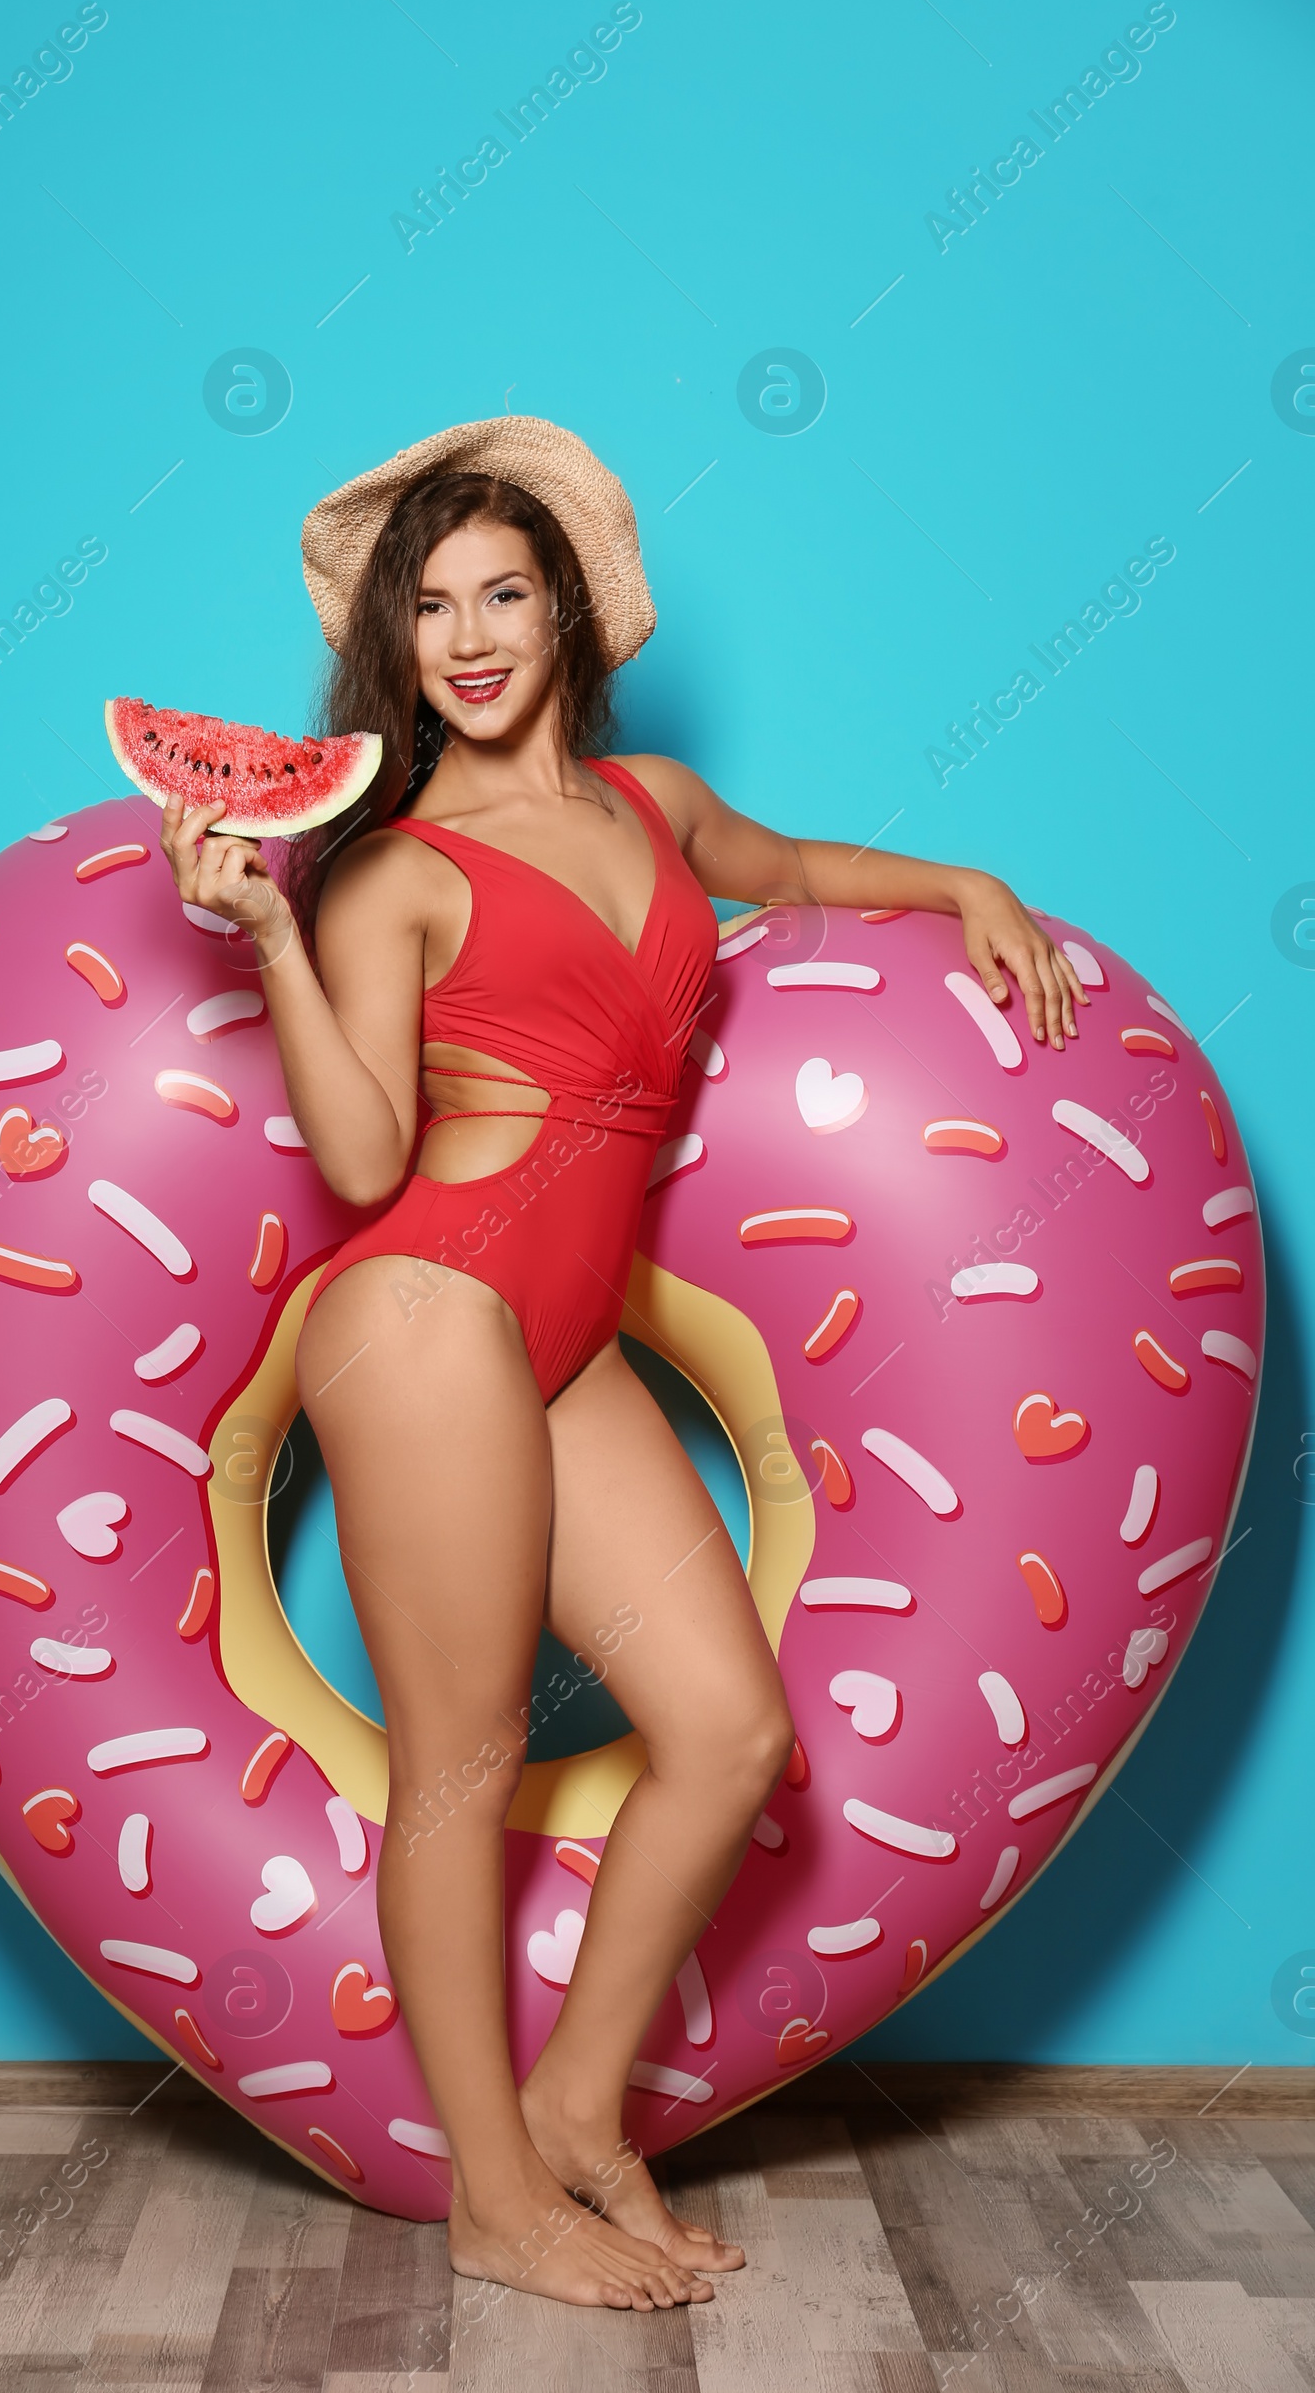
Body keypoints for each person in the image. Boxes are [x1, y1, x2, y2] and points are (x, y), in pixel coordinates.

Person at [158, 417, 1087, 2311]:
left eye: (503, 592)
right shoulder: (393, 871)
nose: (471, 636)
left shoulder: (654, 803)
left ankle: (585, 2105)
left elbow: (801, 859)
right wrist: (265, 928)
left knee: (737, 1739)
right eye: (431, 610)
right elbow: (356, 1164)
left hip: (565, 1341)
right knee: (463, 1762)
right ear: (395, 654)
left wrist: (963, 883)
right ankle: (492, 2200)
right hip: (426, 1314)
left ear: (569, 612)